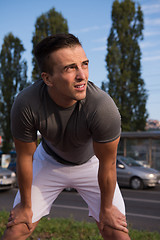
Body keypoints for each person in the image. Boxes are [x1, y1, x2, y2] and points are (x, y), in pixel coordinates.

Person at [2, 33, 130, 240]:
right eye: (70, 68)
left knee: (115, 230)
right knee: (17, 227)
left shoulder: (102, 107)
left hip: (91, 164)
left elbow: (108, 162)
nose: (82, 75)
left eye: (84, 64)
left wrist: (106, 209)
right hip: (48, 161)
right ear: (47, 78)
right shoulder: (26, 103)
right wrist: (25, 206)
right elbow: (25, 157)